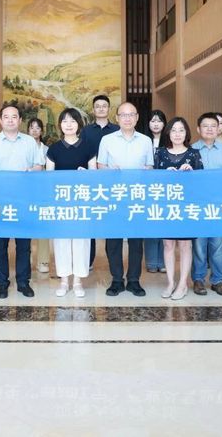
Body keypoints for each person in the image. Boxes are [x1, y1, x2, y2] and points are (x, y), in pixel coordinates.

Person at [0, 104, 45, 299]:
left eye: (14, 116)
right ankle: (2, 283)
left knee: (23, 245)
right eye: (6, 117)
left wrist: (31, 170)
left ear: (20, 120)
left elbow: (40, 166)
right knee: (0, 245)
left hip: (23, 200)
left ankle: (23, 282)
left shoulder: (29, 142)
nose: (10, 120)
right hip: (0, 200)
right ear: (1, 120)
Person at [97, 101, 154, 297]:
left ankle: (134, 280)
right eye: (123, 115)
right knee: (113, 241)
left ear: (137, 118)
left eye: (131, 115)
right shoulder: (107, 140)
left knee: (136, 241)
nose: (127, 118)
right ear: (117, 118)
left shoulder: (146, 141)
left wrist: (145, 171)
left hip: (137, 197)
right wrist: (109, 170)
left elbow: (150, 167)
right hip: (114, 196)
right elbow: (100, 166)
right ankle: (116, 280)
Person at [46, 108, 97, 297]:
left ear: (79, 125)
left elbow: (94, 175)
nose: (69, 125)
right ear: (60, 125)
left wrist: (87, 175)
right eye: (65, 121)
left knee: (81, 242)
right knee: (61, 242)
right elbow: (48, 178)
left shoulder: (88, 147)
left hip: (82, 202)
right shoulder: (54, 149)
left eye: (73, 121)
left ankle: (77, 282)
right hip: (61, 203)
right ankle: (63, 281)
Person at [155, 117, 203, 300]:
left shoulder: (194, 154)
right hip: (166, 206)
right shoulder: (160, 153)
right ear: (168, 133)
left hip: (187, 206)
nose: (177, 134)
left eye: (181, 130)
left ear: (186, 133)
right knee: (168, 244)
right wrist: (164, 175)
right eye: (173, 130)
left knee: (185, 245)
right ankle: (170, 282)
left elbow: (202, 182)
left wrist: (191, 173)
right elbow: (152, 180)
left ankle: (182, 284)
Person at [191, 112, 222, 297]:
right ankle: (198, 279)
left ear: (219, 128)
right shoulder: (192, 150)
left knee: (218, 246)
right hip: (198, 206)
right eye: (205, 126)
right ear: (198, 129)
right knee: (199, 246)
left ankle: (218, 281)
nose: (209, 129)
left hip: (219, 205)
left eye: (213, 126)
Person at [81, 94, 118, 266]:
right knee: (90, 222)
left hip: (112, 181)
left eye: (104, 106)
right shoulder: (86, 131)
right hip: (91, 181)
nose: (101, 108)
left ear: (109, 109)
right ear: (93, 109)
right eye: (98, 106)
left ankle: (113, 260)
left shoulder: (117, 130)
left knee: (111, 221)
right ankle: (88, 260)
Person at [144, 109, 167, 273]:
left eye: (159, 121)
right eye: (153, 121)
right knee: (150, 225)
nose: (156, 124)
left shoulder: (170, 140)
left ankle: (163, 262)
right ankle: (152, 262)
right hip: (147, 189)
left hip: (165, 189)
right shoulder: (143, 140)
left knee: (164, 226)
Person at [28, 117, 51, 274]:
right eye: (32, 127)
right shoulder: (23, 147)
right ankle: (27, 258)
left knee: (43, 228)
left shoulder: (47, 150)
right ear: (28, 130)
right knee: (27, 227)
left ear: (41, 131)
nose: (35, 130)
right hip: (26, 192)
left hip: (43, 192)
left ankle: (43, 261)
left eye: (38, 128)